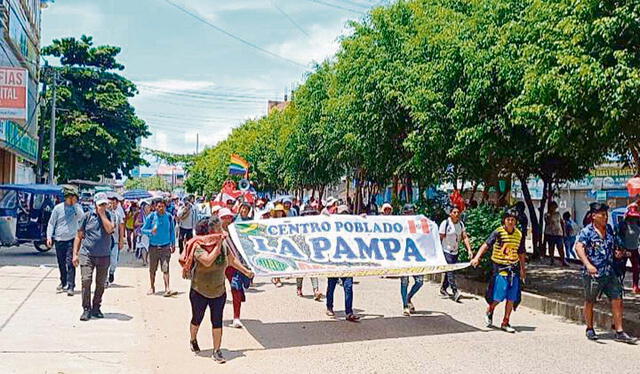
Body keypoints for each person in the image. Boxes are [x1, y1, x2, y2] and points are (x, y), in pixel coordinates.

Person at [186, 217, 254, 364]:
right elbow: (208, 260)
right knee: (197, 319)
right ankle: (193, 339)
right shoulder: (198, 246)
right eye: (219, 229)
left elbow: (232, 260)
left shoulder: (224, 245)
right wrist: (218, 244)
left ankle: (216, 351)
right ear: (211, 232)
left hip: (218, 291)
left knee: (217, 321)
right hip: (199, 291)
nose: (222, 232)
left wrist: (246, 271)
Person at [575, 203, 636, 343]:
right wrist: (588, 265)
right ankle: (589, 328)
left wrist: (618, 253)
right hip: (593, 273)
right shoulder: (587, 231)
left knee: (617, 298)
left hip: (609, 271)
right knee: (590, 300)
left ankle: (619, 331)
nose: (605, 217)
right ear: (593, 216)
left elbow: (613, 246)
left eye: (606, 215)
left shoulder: (609, 229)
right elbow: (579, 248)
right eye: (602, 215)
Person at [470, 208, 526, 333]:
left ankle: (505, 321)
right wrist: (477, 257)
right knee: (499, 295)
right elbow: (486, 245)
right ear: (504, 221)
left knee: (512, 297)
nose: (510, 222)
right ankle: (490, 309)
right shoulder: (498, 233)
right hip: (500, 267)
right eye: (508, 219)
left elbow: (521, 253)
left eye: (513, 220)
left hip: (514, 268)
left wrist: (523, 269)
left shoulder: (519, 234)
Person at [72, 192, 115, 321]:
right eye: (100, 204)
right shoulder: (87, 217)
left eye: (104, 204)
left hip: (104, 255)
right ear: (95, 205)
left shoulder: (110, 216)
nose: (103, 206)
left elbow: (110, 230)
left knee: (101, 283)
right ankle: (86, 308)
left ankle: (96, 307)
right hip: (87, 254)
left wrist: (102, 215)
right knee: (86, 280)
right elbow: (79, 236)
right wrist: (75, 254)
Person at [46, 185, 84, 296]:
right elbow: (51, 223)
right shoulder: (58, 208)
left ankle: (71, 286)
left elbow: (82, 218)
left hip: (71, 240)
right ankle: (63, 282)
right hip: (59, 240)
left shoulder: (77, 208)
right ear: (66, 197)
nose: (71, 200)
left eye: (73, 198)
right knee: (61, 263)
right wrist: (49, 237)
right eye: (70, 198)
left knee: (71, 263)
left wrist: (75, 205)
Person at [218, 208, 252, 329]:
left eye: (229, 217)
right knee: (218, 291)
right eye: (224, 217)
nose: (227, 220)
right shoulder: (215, 232)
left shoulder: (237, 230)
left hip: (235, 264)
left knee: (235, 289)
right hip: (220, 266)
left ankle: (236, 317)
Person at [326, 205, 359, 322]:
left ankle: (349, 312)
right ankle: (329, 306)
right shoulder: (332, 227)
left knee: (348, 286)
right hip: (334, 261)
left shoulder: (352, 228)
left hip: (347, 261)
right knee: (331, 286)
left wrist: (363, 219)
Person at [141, 198, 176, 297]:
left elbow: (172, 231)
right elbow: (143, 230)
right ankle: (152, 287)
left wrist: (173, 243)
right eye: (159, 206)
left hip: (165, 247)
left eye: (163, 206)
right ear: (155, 207)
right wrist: (151, 232)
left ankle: (167, 288)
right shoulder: (151, 217)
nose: (161, 208)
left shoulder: (169, 217)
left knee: (166, 267)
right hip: (153, 247)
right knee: (152, 269)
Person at [439, 206, 473, 302]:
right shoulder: (445, 224)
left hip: (455, 251)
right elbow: (440, 237)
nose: (457, 214)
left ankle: (443, 288)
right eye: (454, 212)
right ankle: (455, 292)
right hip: (446, 250)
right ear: (450, 214)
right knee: (451, 271)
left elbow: (465, 237)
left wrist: (469, 250)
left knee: (449, 270)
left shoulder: (461, 224)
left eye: (458, 212)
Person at [296, 205, 322, 300]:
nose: (309, 215)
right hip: (301, 250)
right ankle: (299, 288)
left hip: (312, 251)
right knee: (300, 271)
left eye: (310, 214)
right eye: (307, 214)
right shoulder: (299, 226)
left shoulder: (315, 226)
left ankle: (316, 290)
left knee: (313, 270)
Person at [617, 204, 640, 294]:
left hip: (634, 249)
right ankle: (619, 285)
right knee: (621, 268)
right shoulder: (623, 224)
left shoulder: (638, 223)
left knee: (637, 268)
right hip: (625, 249)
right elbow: (619, 237)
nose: (633, 218)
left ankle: (635, 286)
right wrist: (622, 249)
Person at [107, 194, 125, 287]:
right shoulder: (103, 215)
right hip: (105, 242)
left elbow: (121, 227)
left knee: (113, 260)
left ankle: (111, 272)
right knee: (105, 260)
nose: (110, 205)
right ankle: (105, 279)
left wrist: (121, 239)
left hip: (115, 240)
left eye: (112, 203)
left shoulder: (117, 215)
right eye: (109, 203)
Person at [544, 201, 567, 266]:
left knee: (560, 247)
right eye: (553, 207)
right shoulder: (547, 214)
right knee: (551, 247)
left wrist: (564, 231)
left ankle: (563, 261)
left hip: (558, 233)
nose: (554, 208)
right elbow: (547, 222)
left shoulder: (558, 214)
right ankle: (552, 260)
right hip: (550, 233)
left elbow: (562, 222)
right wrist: (551, 214)